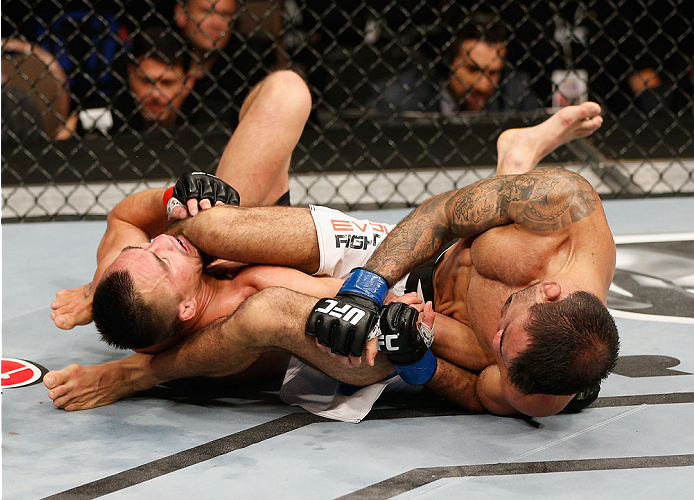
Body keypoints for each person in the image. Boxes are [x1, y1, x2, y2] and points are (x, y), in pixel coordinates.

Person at [45, 102, 609, 420]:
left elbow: (478, 391)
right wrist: (365, 286)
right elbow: (441, 216)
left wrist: (419, 362)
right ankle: (515, 159)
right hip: (407, 255)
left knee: (263, 304)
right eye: (509, 317)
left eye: (501, 340)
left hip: (413, 326)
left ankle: (515, 156)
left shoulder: (535, 381)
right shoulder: (567, 206)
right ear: (554, 291)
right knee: (213, 224)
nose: (500, 322)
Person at [49, 68, 310, 331]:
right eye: (160, 259)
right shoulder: (240, 305)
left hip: (247, 237)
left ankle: (98, 289)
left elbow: (124, 218)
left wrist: (173, 198)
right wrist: (126, 373)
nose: (159, 238)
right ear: (187, 307)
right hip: (286, 261)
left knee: (285, 87)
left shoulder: (131, 273)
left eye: (143, 246)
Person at [367, 11, 542, 115]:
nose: (484, 85)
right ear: (448, 63)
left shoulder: (515, 92)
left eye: (493, 73)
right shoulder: (396, 98)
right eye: (473, 69)